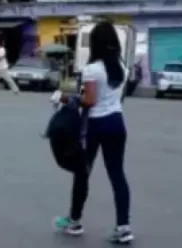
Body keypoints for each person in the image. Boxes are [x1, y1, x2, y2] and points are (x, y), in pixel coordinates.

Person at [53, 21, 133, 244]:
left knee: (83, 172)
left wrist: (65, 98)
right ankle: (124, 226)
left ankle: (75, 221)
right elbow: (118, 97)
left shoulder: (92, 69)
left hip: (95, 126)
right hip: (117, 122)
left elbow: (89, 100)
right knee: (117, 175)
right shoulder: (121, 67)